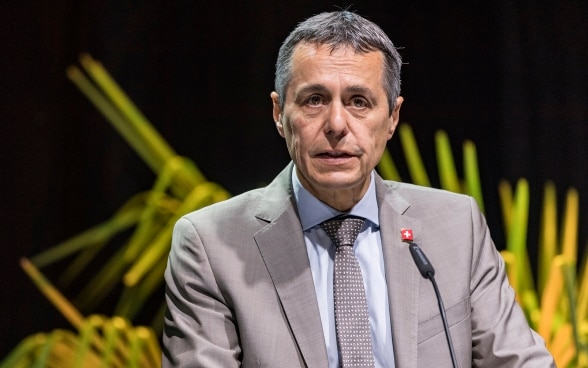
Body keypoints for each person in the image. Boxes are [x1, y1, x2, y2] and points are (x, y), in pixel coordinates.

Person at [162, 10, 555, 367]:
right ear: (280, 114)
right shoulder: (211, 246)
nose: (336, 124)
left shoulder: (455, 227)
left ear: (392, 118)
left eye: (359, 102)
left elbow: (519, 360)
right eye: (314, 100)